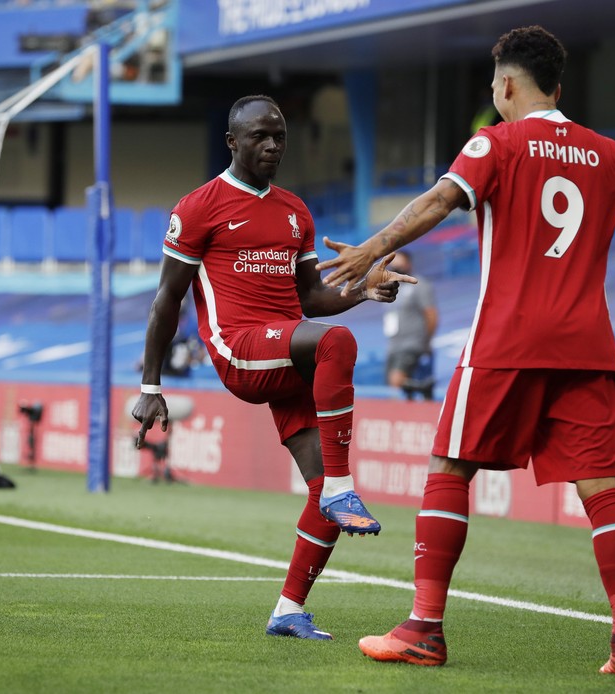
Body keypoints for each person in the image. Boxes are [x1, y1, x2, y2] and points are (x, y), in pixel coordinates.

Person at [315, 26, 615, 675]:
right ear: (559, 87)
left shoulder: (495, 143)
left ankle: (424, 628)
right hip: (588, 349)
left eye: (494, 87)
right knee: (602, 491)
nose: (495, 95)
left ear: (507, 86)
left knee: (448, 468)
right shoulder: (606, 154)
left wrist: (372, 247)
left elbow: (439, 200)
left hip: (506, 339)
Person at [131, 94, 415, 641]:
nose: (271, 145)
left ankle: (288, 609)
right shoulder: (198, 207)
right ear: (232, 141)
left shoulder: (295, 211)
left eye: (279, 136)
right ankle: (342, 484)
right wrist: (151, 385)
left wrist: (363, 290)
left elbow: (310, 300)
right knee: (338, 345)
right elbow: (167, 299)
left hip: (286, 350)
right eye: (259, 136)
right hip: (239, 350)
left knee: (319, 491)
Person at [382, 250, 438, 400]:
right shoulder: (391, 287)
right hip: (394, 344)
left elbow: (431, 315)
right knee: (391, 385)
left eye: (399, 261)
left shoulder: (418, 285)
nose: (395, 265)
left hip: (412, 343)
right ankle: (417, 396)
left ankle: (425, 390)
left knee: (396, 380)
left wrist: (426, 341)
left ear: (408, 263)